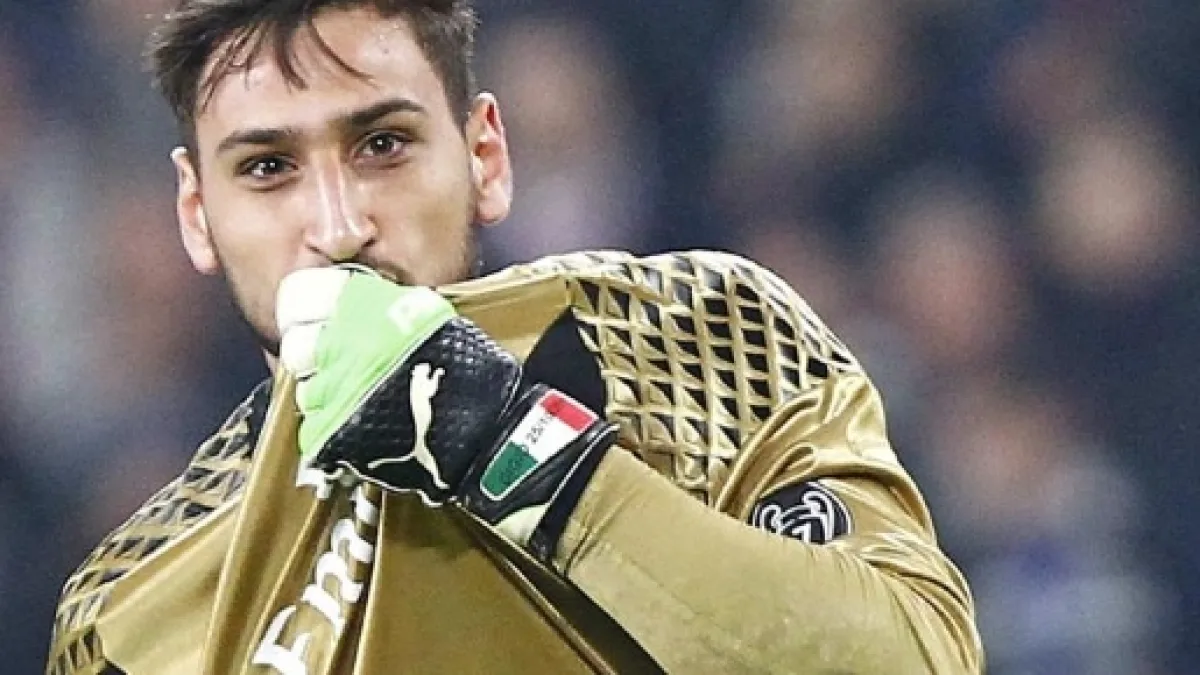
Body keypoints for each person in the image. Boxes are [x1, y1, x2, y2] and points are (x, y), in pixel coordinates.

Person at [46, 1, 983, 673]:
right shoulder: (133, 602)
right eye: (267, 167)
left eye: (383, 145)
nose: (337, 226)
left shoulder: (697, 334)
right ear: (197, 214)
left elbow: (914, 659)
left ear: (484, 155)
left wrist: (512, 443)